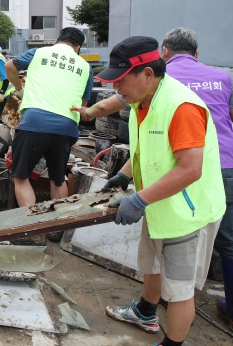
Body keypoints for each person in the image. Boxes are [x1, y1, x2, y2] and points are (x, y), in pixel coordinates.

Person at [73, 28, 233, 330]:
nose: (116, 86)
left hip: (188, 210)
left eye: (121, 79)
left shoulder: (182, 107)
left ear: (148, 73)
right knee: (152, 263)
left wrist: (139, 199)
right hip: (160, 201)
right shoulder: (142, 99)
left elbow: (190, 169)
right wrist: (123, 176)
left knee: (179, 290)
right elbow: (148, 149)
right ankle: (146, 312)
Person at [5, 27, 93, 211]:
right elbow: (83, 104)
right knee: (58, 178)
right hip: (67, 126)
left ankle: (32, 229)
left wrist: (19, 88)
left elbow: (9, 66)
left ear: (56, 42)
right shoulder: (85, 67)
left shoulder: (38, 53)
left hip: (34, 122)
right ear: (77, 47)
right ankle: (57, 227)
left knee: (21, 177)